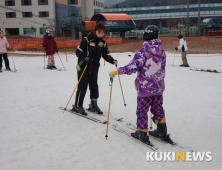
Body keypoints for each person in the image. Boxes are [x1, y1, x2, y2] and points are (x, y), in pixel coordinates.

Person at [109, 25, 173, 145]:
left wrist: (118, 71)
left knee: (142, 110)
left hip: (145, 88)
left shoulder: (143, 51)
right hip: (158, 87)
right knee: (158, 109)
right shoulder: (162, 51)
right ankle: (162, 132)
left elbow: (132, 67)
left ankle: (142, 133)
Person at [71, 22, 118, 116]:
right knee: (82, 86)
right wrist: (84, 58)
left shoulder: (102, 43)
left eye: (102, 33)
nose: (100, 35)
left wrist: (112, 60)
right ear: (95, 31)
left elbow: (105, 54)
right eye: (98, 32)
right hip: (83, 67)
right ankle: (78, 105)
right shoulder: (87, 39)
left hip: (94, 67)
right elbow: (78, 51)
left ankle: (93, 104)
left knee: (94, 86)